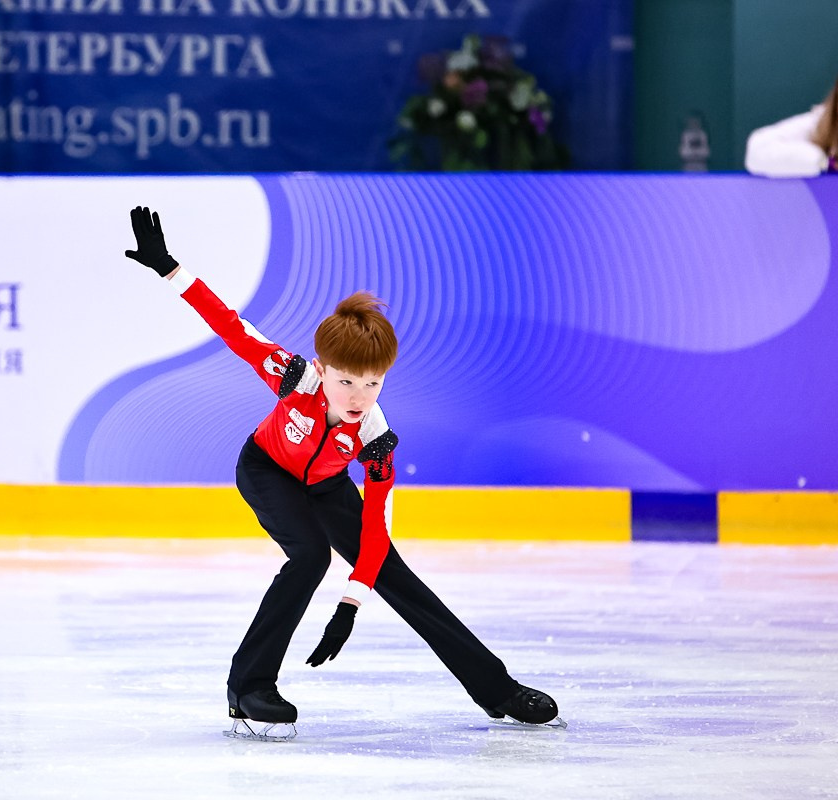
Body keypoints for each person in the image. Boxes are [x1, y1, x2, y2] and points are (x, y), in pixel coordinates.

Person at [122, 206, 563, 739]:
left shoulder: (376, 437)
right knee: (309, 556)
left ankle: (498, 690)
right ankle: (249, 686)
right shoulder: (294, 378)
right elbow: (232, 327)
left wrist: (350, 604)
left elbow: (376, 531)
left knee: (396, 575)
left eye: (372, 383)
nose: (358, 397)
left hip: (326, 485)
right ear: (323, 369)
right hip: (267, 470)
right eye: (347, 382)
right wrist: (171, 269)